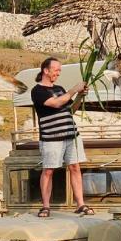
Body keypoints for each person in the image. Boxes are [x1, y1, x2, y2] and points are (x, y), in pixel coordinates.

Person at [31, 57, 93, 217]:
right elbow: (56, 103)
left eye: (59, 70)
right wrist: (73, 89)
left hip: (71, 135)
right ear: (46, 70)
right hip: (51, 138)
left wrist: (80, 96)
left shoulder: (59, 88)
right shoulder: (37, 91)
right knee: (49, 170)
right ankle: (45, 206)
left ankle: (80, 204)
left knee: (75, 167)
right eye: (56, 70)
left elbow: (70, 109)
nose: (58, 73)